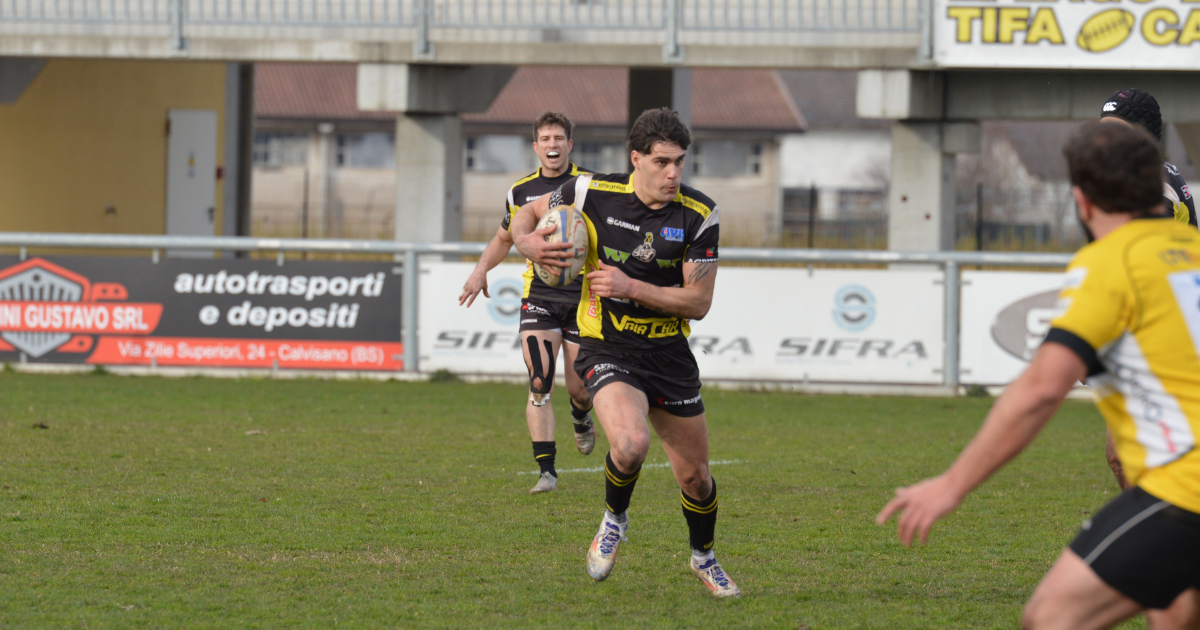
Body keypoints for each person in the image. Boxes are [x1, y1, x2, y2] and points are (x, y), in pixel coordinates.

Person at [878, 121, 1200, 629]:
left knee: (1051, 617)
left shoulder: (1110, 263)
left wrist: (952, 485)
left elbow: (1041, 389)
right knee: (1175, 603)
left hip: (1187, 489)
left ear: (1083, 201)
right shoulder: (1191, 253)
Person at [510, 107, 739, 598]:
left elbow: (697, 302)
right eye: (661, 162)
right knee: (631, 445)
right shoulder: (588, 191)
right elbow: (526, 214)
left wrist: (630, 285)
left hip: (668, 355)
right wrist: (529, 245)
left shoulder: (699, 214)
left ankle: (704, 558)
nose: (673, 173)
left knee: (696, 477)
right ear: (636, 158)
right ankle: (614, 519)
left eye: (679, 161)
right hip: (606, 345)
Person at [458, 111, 595, 495]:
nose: (552, 145)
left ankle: (581, 416)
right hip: (540, 296)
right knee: (539, 379)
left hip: (583, 297)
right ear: (536, 147)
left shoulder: (589, 186)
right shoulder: (519, 192)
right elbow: (504, 238)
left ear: (570, 144)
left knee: (581, 388)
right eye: (545, 139)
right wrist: (480, 270)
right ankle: (546, 470)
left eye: (559, 138)